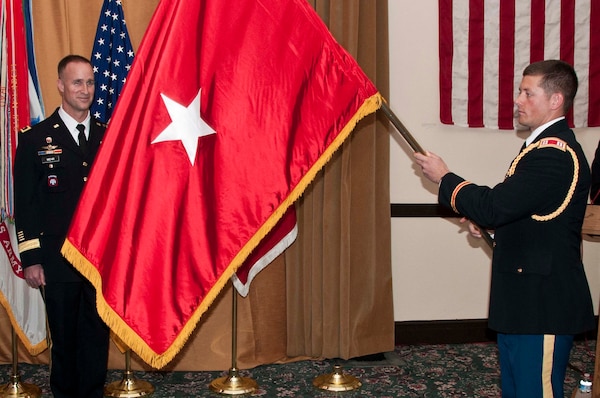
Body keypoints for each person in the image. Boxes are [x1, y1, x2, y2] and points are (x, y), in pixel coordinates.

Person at [414, 59, 595, 398]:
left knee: (535, 391)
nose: (518, 100)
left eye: (528, 93)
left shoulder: (554, 154)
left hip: (542, 305)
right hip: (524, 300)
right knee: (517, 390)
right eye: (519, 91)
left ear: (556, 100)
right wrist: (495, 229)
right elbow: (531, 216)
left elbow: (495, 206)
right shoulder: (539, 150)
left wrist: (445, 178)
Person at [14, 54, 109, 398]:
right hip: (57, 260)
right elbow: (26, 204)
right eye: (77, 82)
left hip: (99, 260)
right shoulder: (35, 139)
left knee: (97, 339)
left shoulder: (107, 136)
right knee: (66, 341)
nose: (85, 90)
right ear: (60, 86)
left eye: (90, 82)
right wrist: (32, 259)